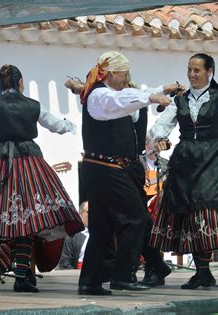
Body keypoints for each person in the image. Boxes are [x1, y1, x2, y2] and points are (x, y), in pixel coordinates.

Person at [0, 64, 84, 293]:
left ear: (0, 83)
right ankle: (23, 275)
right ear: (20, 82)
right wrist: (70, 126)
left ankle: (22, 273)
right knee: (28, 222)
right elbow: (56, 124)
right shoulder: (33, 105)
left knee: (5, 221)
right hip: (30, 164)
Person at [149, 33, 218, 290]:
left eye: (196, 70)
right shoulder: (180, 100)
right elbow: (161, 125)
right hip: (185, 159)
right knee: (188, 214)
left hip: (211, 159)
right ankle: (202, 272)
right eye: (189, 70)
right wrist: (160, 138)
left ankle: (204, 271)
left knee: (207, 214)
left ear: (209, 72)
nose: (191, 74)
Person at [77, 51, 174, 295]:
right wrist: (151, 97)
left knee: (102, 227)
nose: (126, 78)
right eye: (123, 73)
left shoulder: (105, 92)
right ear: (111, 73)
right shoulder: (100, 95)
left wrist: (158, 91)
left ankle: (90, 280)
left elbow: (129, 95)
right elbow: (120, 101)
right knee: (135, 218)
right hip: (107, 168)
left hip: (102, 169)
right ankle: (122, 275)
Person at [58, 202, 90, 270]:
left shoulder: (103, 235)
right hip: (78, 276)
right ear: (80, 214)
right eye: (89, 212)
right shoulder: (72, 236)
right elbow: (64, 263)